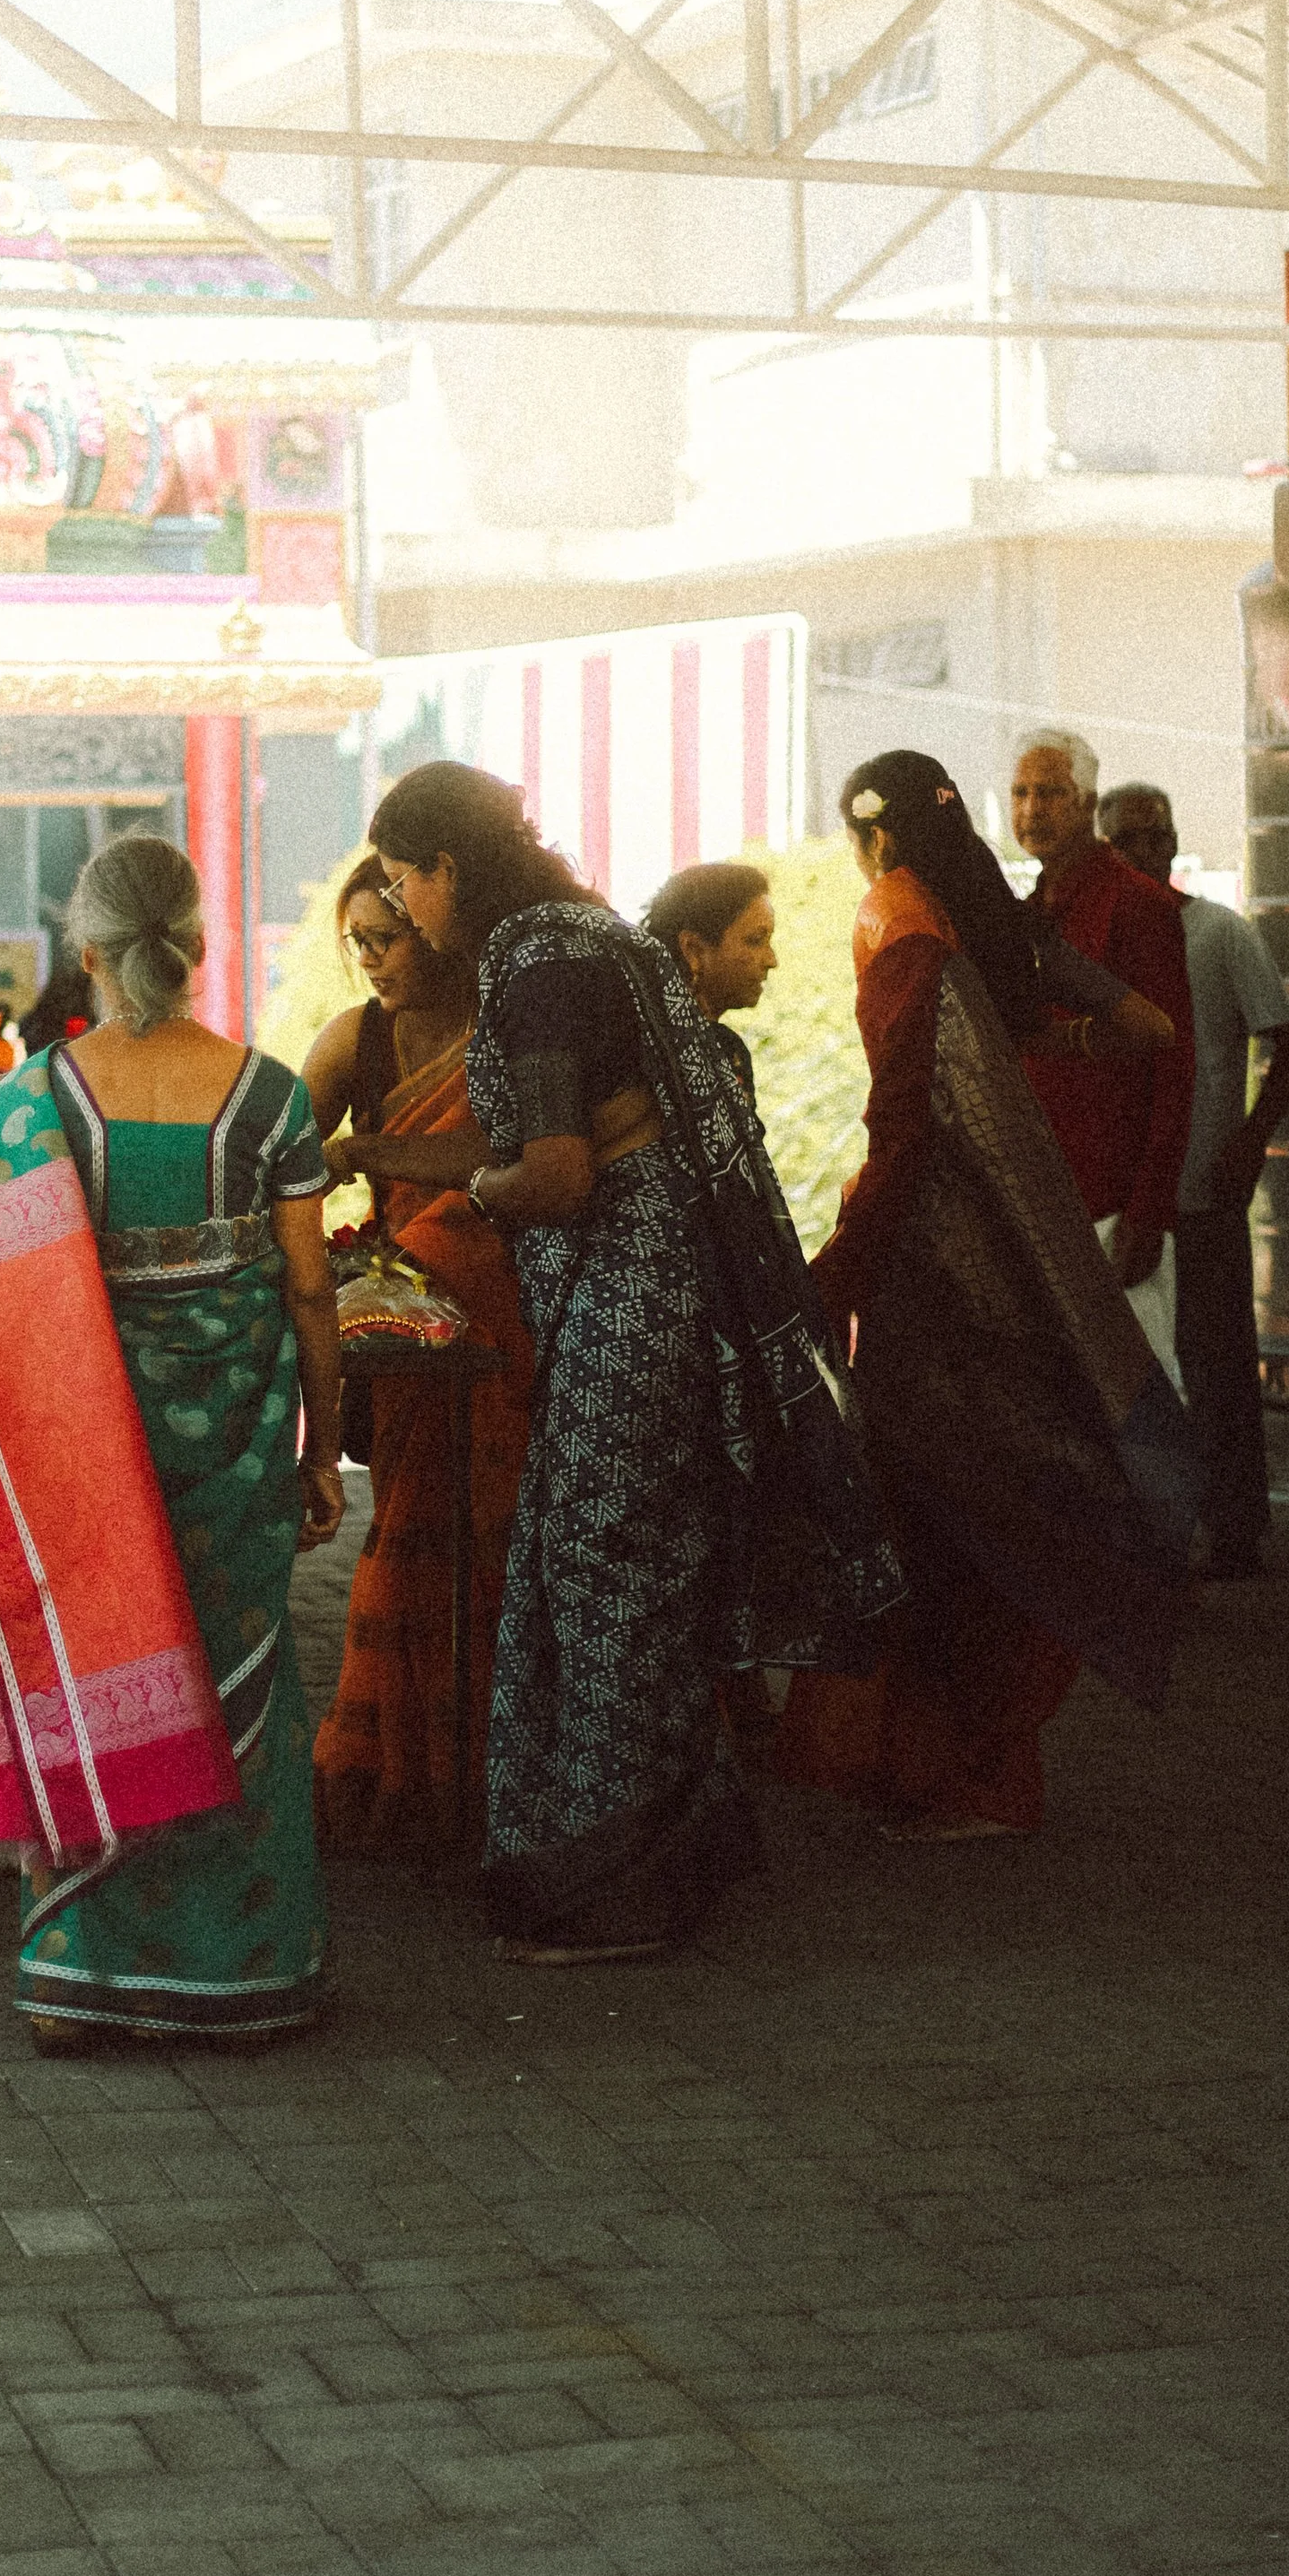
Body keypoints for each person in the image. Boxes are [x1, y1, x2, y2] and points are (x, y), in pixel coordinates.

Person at [354, 763, 897, 1966]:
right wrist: (373, 1154)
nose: (400, 904)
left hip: (629, 1299)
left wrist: (476, 1198)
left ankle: (613, 1886)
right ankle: (657, 1861)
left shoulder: (537, 969)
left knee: (606, 1575)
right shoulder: (580, 935)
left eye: (401, 879)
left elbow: (552, 1175)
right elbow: (540, 1137)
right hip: (656, 1295)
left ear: (446, 867)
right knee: (627, 1566)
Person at [0, 833, 342, 2048]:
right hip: (240, 1443)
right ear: (197, 944)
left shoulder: (36, 1101)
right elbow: (308, 1290)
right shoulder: (272, 1097)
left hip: (83, 1457)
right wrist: (319, 1450)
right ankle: (243, 1975)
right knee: (242, 1683)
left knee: (93, 1676)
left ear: (84, 952)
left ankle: (81, 1975)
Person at [780, 750, 1193, 1839]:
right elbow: (1149, 1028)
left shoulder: (897, 923)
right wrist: (1040, 1041)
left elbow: (904, 1122)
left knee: (934, 1504)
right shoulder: (996, 924)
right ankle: (970, 1769)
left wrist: (841, 1266)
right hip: (1010, 1237)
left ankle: (965, 1774)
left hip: (930, 1261)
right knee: (993, 1485)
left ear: (873, 838)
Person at [304, 857, 532, 1854]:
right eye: (354, 941)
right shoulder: (354, 1039)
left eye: (385, 939)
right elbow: (277, 1158)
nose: (368, 960)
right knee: (406, 1544)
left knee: (503, 1550)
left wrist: (369, 1157)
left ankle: (499, 1785)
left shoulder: (513, 1030)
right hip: (409, 1330)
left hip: (508, 1326)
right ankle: (402, 1779)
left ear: (436, 930)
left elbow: (529, 1165)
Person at [1101, 782, 1289, 1580]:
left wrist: (1250, 1140)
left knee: (1219, 1362)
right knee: (1135, 1367)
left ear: (1174, 843)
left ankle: (1234, 1532)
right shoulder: (1096, 944)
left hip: (1202, 1195)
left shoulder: (1220, 933)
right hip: (1125, 1197)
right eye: (1124, 842)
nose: (1142, 855)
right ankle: (1150, 1530)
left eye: (1155, 838)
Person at [1010, 730, 1195, 1379]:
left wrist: (1148, 1213)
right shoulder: (1030, 910)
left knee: (1144, 1400)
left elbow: (1176, 1068)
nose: (1032, 809)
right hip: (1050, 1201)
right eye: (1021, 792)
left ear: (1087, 803)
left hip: (1117, 1205)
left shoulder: (1137, 904)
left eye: (1050, 793)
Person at [643, 861, 776, 1116]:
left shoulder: (657, 1037)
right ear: (693, 950)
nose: (772, 960)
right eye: (755, 941)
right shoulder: (659, 1053)